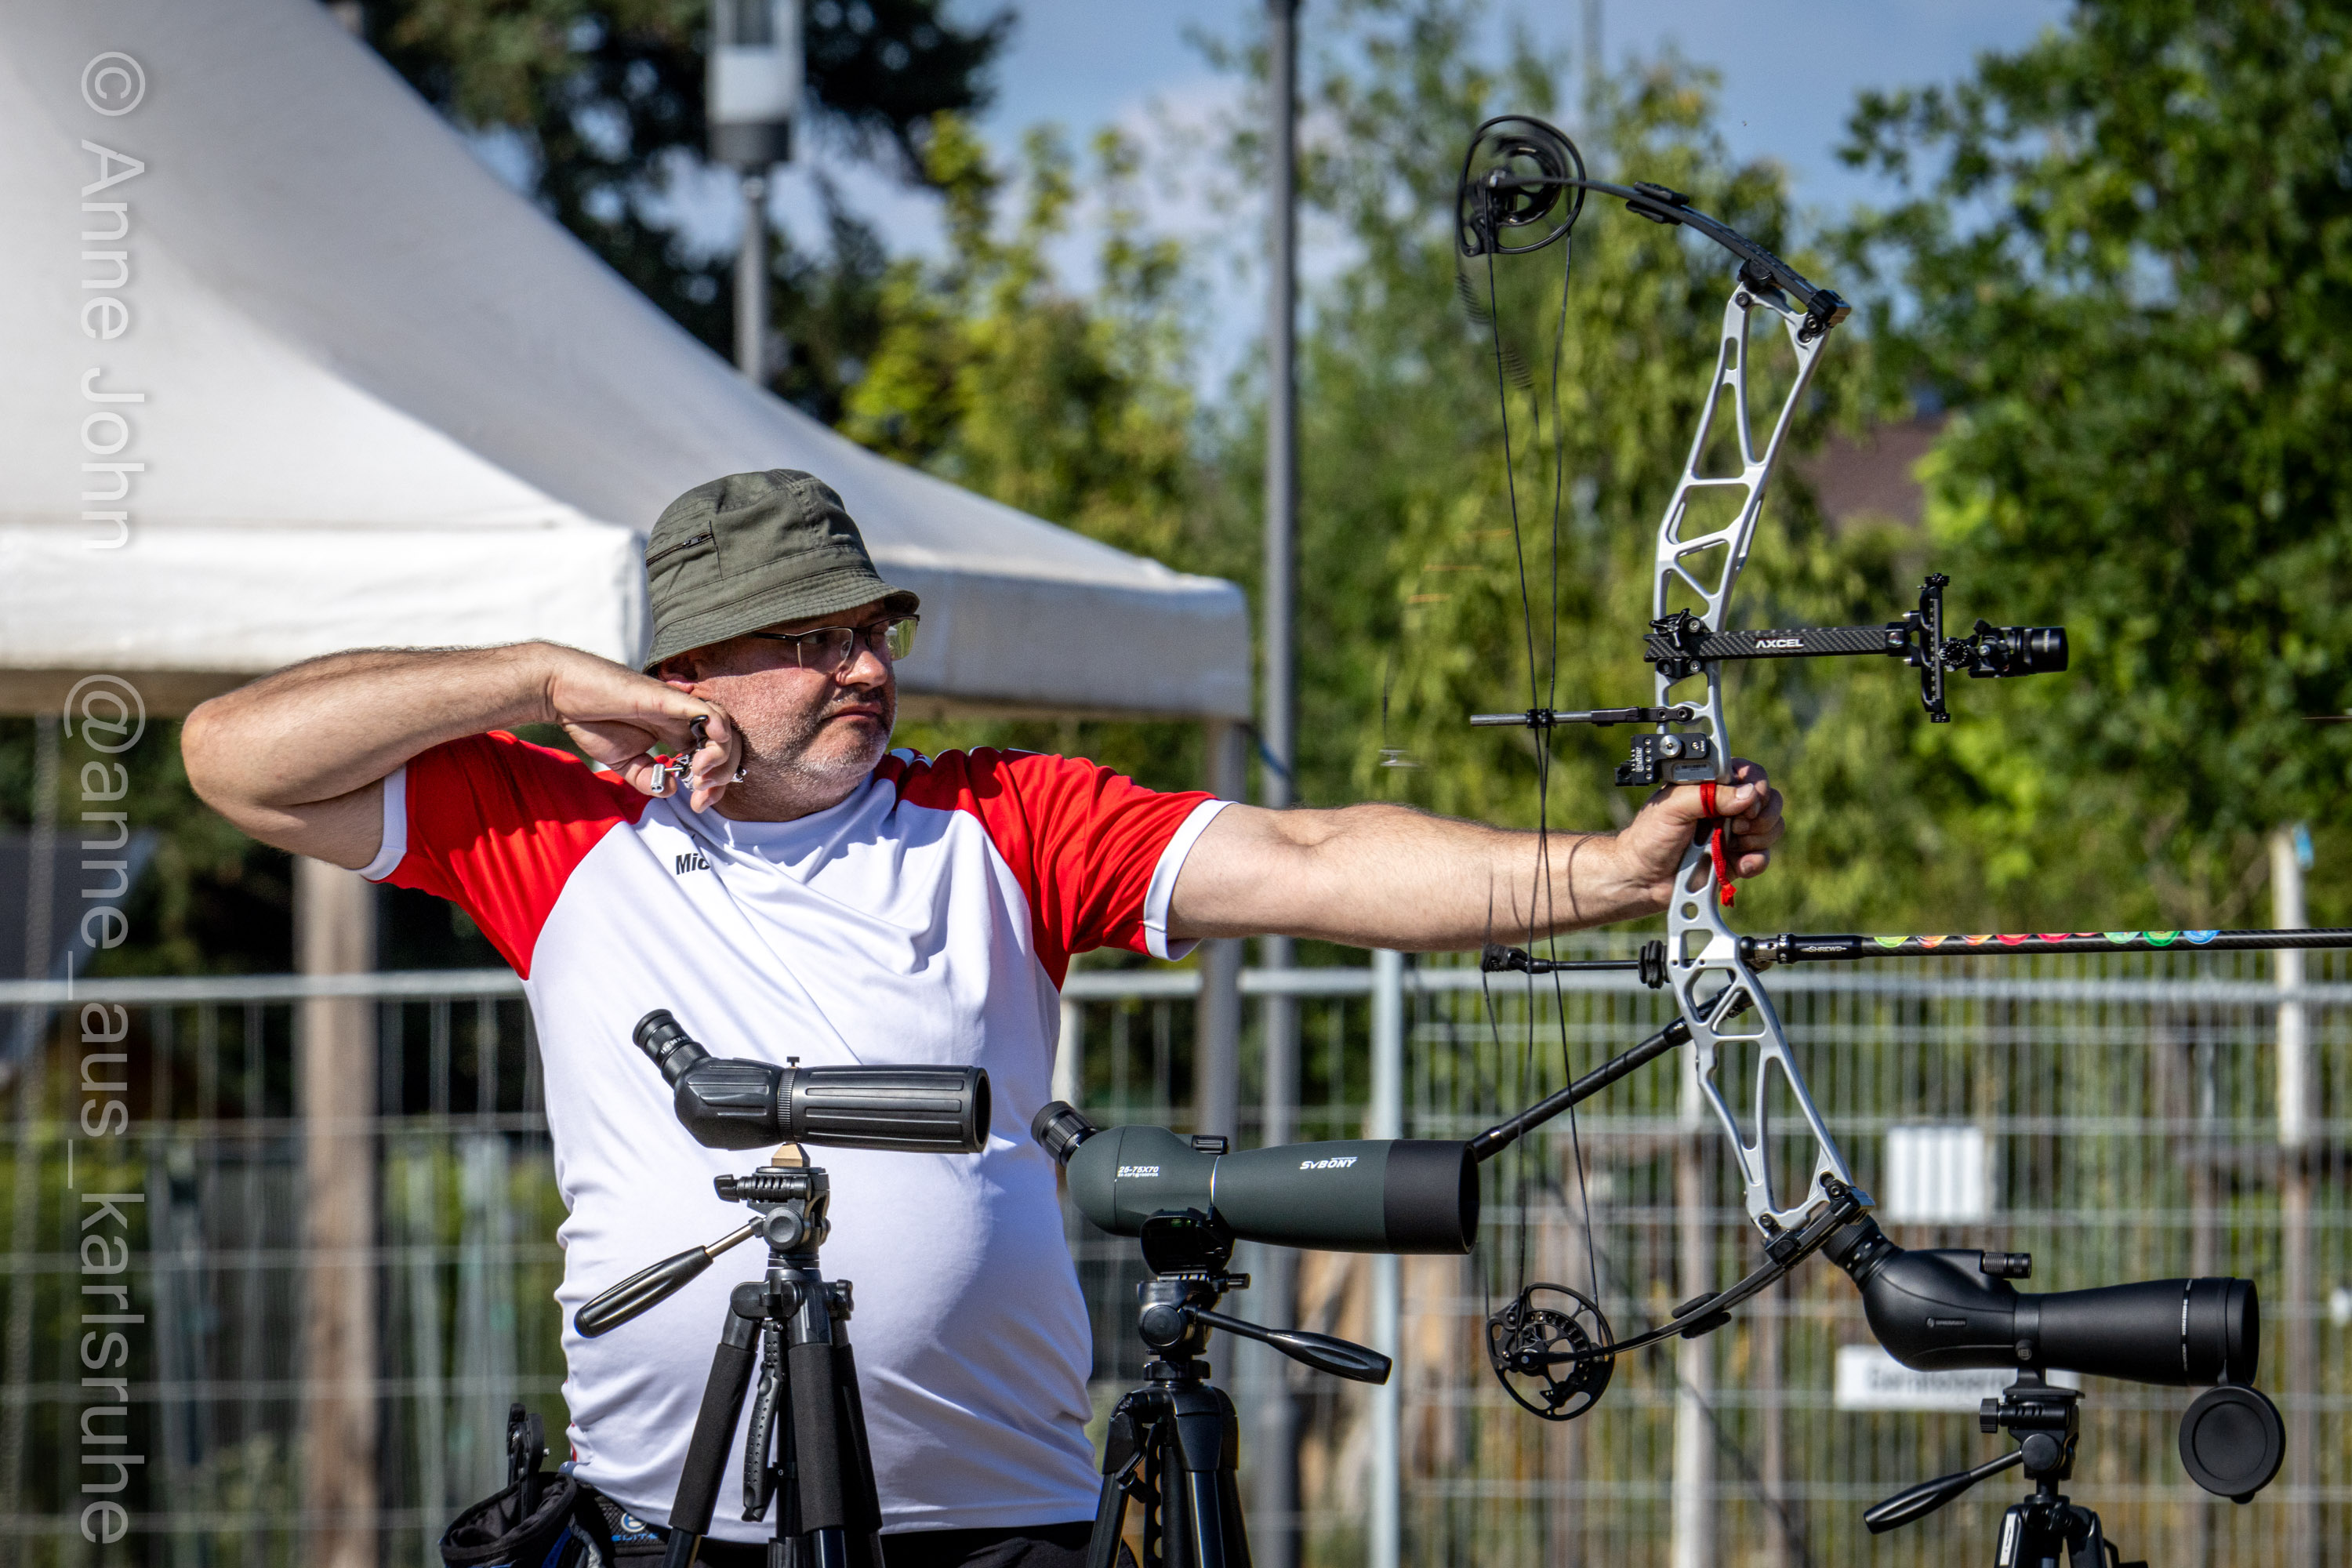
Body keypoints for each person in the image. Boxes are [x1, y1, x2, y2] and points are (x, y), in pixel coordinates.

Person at [181, 470, 1784, 1568]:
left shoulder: (999, 820)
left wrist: (1601, 872)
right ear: (688, 669)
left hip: (996, 1521)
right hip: (676, 1516)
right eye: (809, 639)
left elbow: (1306, 856)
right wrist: (535, 675)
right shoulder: (558, 826)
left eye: (871, 631)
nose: (862, 667)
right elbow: (234, 758)